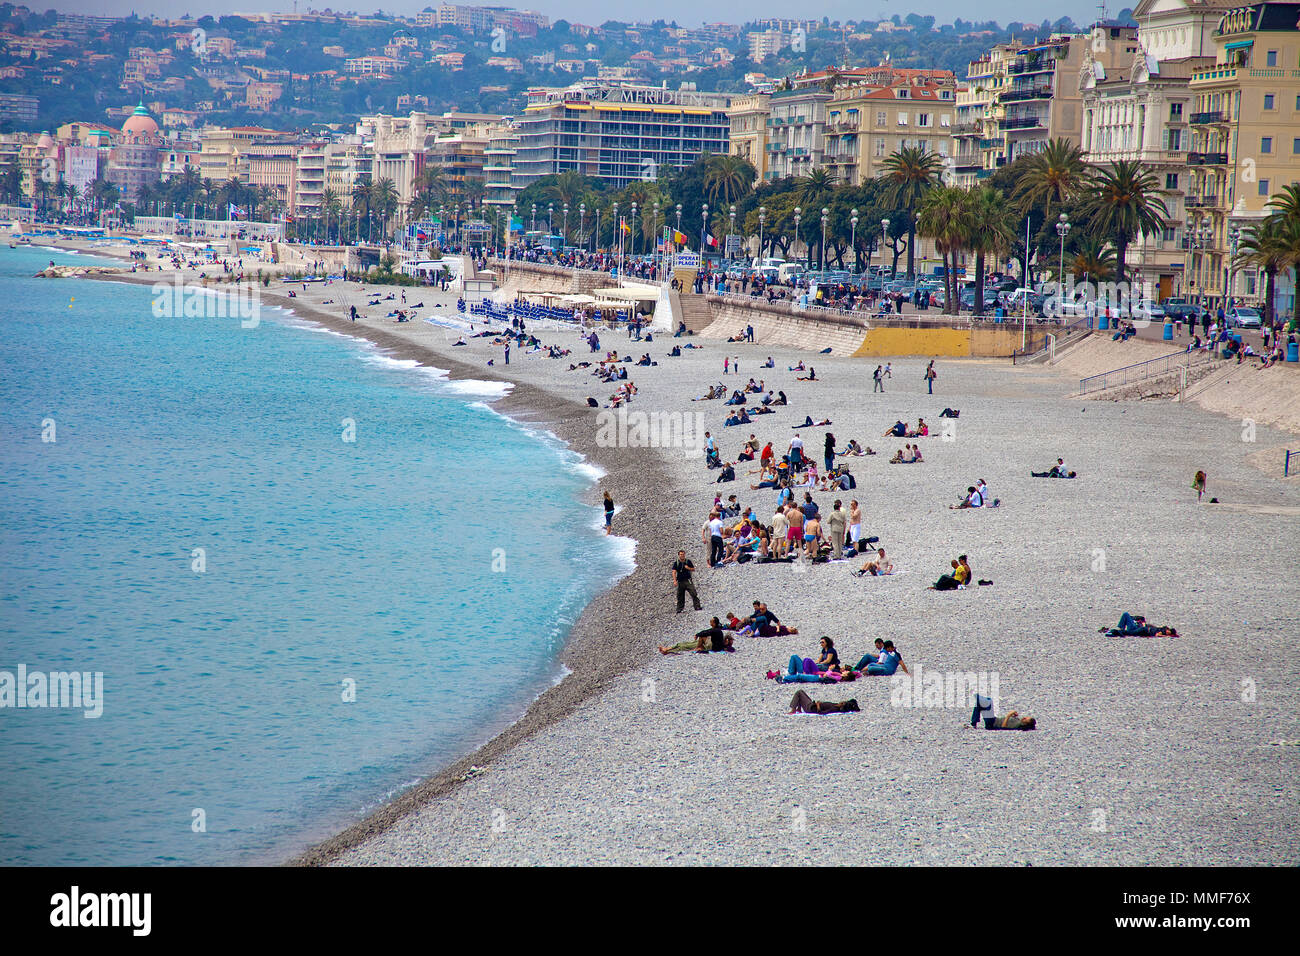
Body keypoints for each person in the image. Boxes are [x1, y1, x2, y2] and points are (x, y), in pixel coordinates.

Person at [659, 617, 733, 654]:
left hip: (710, 646)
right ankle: (667, 649)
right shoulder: (717, 630)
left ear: (714, 623)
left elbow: (706, 632)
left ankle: (667, 651)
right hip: (709, 645)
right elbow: (707, 632)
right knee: (685, 644)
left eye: (711, 621)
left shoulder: (715, 630)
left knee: (685, 646)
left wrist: (697, 635)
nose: (710, 622)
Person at [788, 690, 860, 714]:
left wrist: (818, 705)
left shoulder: (834, 709)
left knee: (799, 692)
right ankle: (799, 709)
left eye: (843, 703)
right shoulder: (836, 705)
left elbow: (822, 713)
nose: (842, 702)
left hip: (811, 708)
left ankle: (793, 709)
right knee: (802, 694)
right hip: (812, 705)